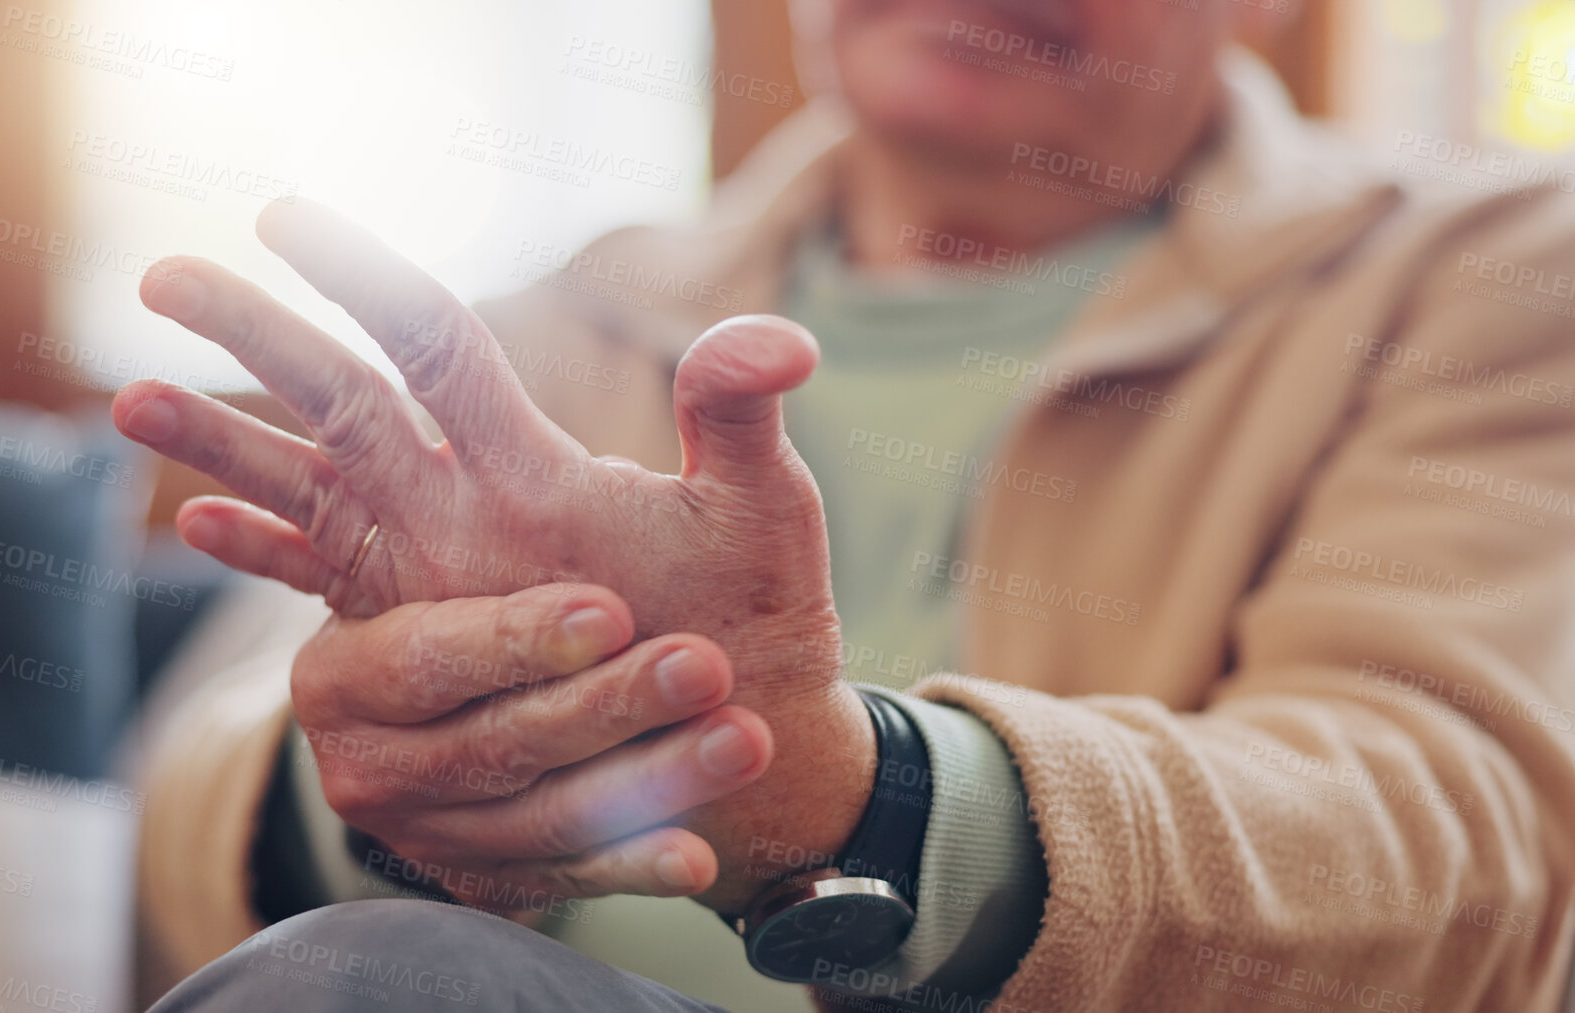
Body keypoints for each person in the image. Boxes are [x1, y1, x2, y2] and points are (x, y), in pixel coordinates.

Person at [116, 0, 1575, 1009]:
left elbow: (1458, 850)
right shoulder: (563, 319)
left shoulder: (1491, 273)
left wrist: (850, 798)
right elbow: (197, 779)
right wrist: (412, 758)